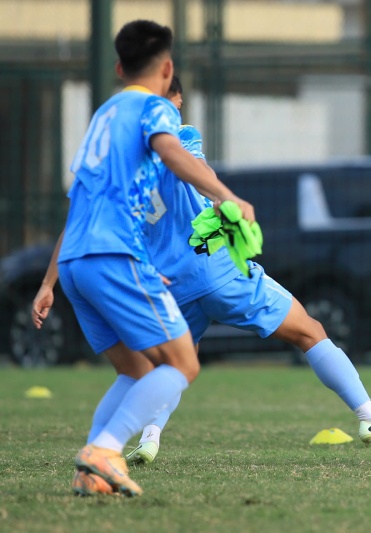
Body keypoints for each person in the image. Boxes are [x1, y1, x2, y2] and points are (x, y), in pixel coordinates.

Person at [34, 76, 371, 495]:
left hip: (166, 283)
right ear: (174, 99)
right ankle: (370, 416)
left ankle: (147, 439)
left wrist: (48, 283)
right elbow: (190, 164)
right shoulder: (178, 135)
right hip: (214, 270)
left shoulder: (117, 165)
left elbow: (78, 220)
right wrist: (224, 196)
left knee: (167, 364)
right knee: (309, 331)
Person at [47, 19, 254, 497]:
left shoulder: (103, 117)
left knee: (136, 369)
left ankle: (91, 469)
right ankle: (103, 451)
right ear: (168, 68)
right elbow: (174, 152)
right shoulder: (154, 108)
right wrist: (224, 196)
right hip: (112, 255)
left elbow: (78, 199)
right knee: (182, 363)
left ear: (119, 67)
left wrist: (48, 282)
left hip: (77, 262)